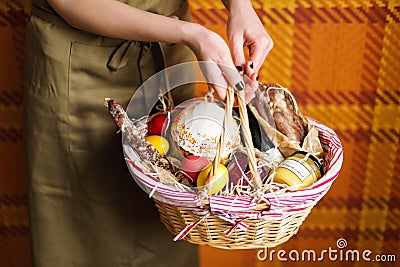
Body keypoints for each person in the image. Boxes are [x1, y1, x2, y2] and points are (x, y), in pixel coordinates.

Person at [23, 0, 273, 266]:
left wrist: (240, 6)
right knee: (87, 232)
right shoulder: (189, 35)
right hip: (83, 65)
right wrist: (192, 34)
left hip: (168, 56)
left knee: (171, 214)